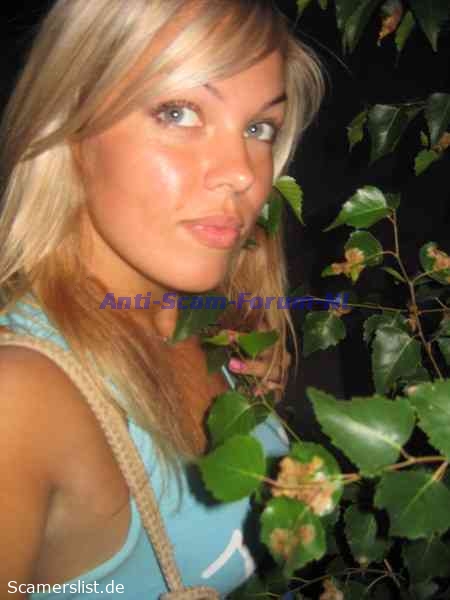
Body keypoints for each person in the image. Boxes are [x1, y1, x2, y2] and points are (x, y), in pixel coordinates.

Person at [0, 0, 324, 598]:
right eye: (178, 113)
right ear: (69, 125)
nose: (242, 173)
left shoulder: (205, 320)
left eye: (259, 128)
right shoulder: (20, 399)